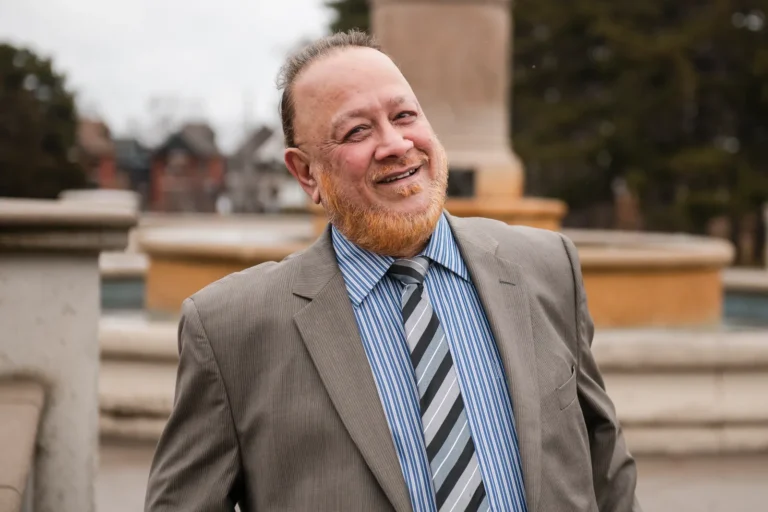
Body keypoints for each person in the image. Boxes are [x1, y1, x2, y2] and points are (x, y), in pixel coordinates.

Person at [145, 30, 641, 512]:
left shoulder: (548, 267)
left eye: (404, 115)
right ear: (305, 173)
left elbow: (606, 466)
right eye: (356, 131)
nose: (396, 144)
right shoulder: (230, 330)